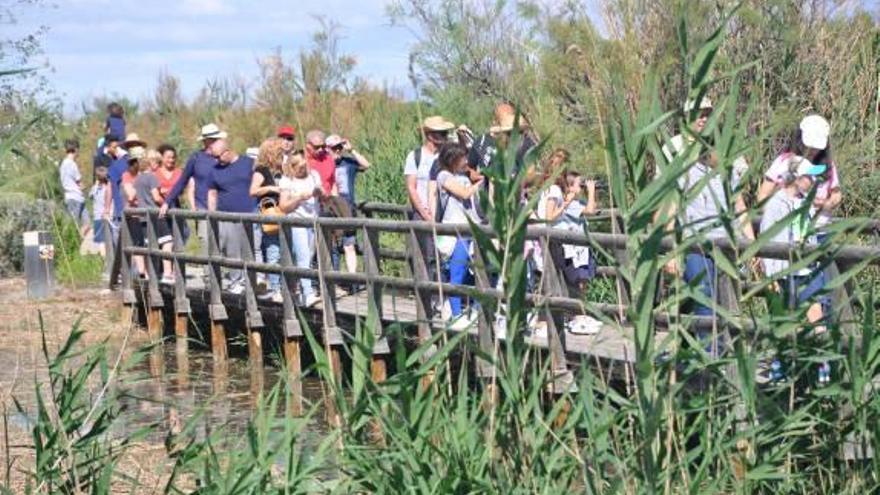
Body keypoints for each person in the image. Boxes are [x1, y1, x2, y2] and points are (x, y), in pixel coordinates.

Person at [759, 156, 828, 381]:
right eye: (810, 177)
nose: (814, 181)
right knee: (787, 321)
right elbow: (766, 240)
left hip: (808, 269)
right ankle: (784, 370)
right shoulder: (776, 204)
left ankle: (822, 369)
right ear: (797, 178)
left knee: (816, 316)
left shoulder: (804, 201)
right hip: (785, 272)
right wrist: (770, 276)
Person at [759, 115, 841, 231]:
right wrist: (774, 216)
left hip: (819, 228)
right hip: (785, 228)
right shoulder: (783, 162)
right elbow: (763, 195)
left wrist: (826, 204)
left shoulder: (827, 165)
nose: (813, 150)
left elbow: (836, 194)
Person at [435, 142, 483, 329]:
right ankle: (455, 314)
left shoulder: (463, 176)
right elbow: (463, 193)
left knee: (474, 271)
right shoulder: (443, 176)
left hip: (470, 228)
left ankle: (474, 308)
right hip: (455, 230)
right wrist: (479, 182)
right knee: (457, 270)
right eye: (462, 157)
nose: (465, 160)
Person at [159, 124, 225, 252]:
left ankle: (227, 272)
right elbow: (182, 181)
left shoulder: (224, 157)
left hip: (225, 209)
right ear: (205, 141)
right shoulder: (196, 158)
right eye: (211, 139)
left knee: (225, 247)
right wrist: (167, 202)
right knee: (207, 245)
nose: (213, 142)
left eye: (215, 139)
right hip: (203, 209)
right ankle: (208, 272)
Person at [206, 138, 257, 295]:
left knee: (252, 249)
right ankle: (236, 281)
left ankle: (252, 281)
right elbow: (212, 193)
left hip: (251, 214)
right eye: (213, 157)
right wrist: (212, 214)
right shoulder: (214, 170)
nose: (216, 160)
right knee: (232, 250)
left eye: (218, 156)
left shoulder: (249, 163)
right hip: (227, 216)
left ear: (227, 151)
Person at [279, 151, 324, 307]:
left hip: (314, 221)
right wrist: (299, 198)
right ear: (293, 167)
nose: (303, 169)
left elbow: (322, 195)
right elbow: (283, 206)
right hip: (297, 222)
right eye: (300, 167)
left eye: (305, 165)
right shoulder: (287, 181)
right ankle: (307, 293)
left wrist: (320, 193)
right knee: (303, 257)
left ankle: (298, 287)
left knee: (310, 256)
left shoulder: (314, 175)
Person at [327, 134, 371, 287]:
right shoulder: (324, 165)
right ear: (328, 149)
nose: (337, 151)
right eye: (334, 148)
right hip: (330, 210)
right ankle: (334, 281)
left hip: (347, 209)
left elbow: (366, 165)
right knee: (331, 246)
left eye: (339, 147)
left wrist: (352, 150)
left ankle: (352, 281)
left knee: (349, 245)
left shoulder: (348, 163)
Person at [250, 138, 285, 301]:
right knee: (272, 250)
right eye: (278, 152)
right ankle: (274, 288)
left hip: (282, 212)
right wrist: (271, 188)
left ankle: (278, 286)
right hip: (268, 212)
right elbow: (253, 191)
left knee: (279, 250)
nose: (281, 155)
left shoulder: (281, 169)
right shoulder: (261, 170)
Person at [133, 150, 175, 283]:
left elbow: (136, 197)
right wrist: (166, 204)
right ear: (151, 163)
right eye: (157, 163)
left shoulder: (138, 178)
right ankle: (167, 273)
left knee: (148, 245)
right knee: (167, 242)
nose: (158, 166)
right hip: (155, 215)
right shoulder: (152, 177)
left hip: (143, 216)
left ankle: (147, 274)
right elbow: (156, 198)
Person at [120, 147, 147, 277]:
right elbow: (130, 195)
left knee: (147, 243)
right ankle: (142, 272)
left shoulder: (145, 175)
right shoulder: (127, 176)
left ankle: (147, 272)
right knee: (137, 244)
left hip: (146, 214)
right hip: (134, 215)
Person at [59, 139, 89, 237]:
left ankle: (80, 244)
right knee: (74, 225)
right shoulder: (72, 164)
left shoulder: (63, 164)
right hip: (75, 197)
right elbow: (79, 183)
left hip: (74, 197)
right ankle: (71, 244)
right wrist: (87, 187)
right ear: (76, 150)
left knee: (86, 223)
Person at [305, 130, 336, 196]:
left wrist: (335, 200)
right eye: (317, 147)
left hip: (327, 202)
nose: (321, 149)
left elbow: (333, 183)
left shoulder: (329, 159)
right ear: (308, 146)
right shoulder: (302, 160)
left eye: (323, 146)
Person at [89, 165, 110, 258]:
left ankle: (105, 262)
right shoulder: (108, 188)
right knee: (106, 241)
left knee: (101, 242)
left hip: (98, 217)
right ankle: (108, 260)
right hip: (105, 216)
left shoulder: (96, 188)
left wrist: (96, 185)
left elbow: (90, 196)